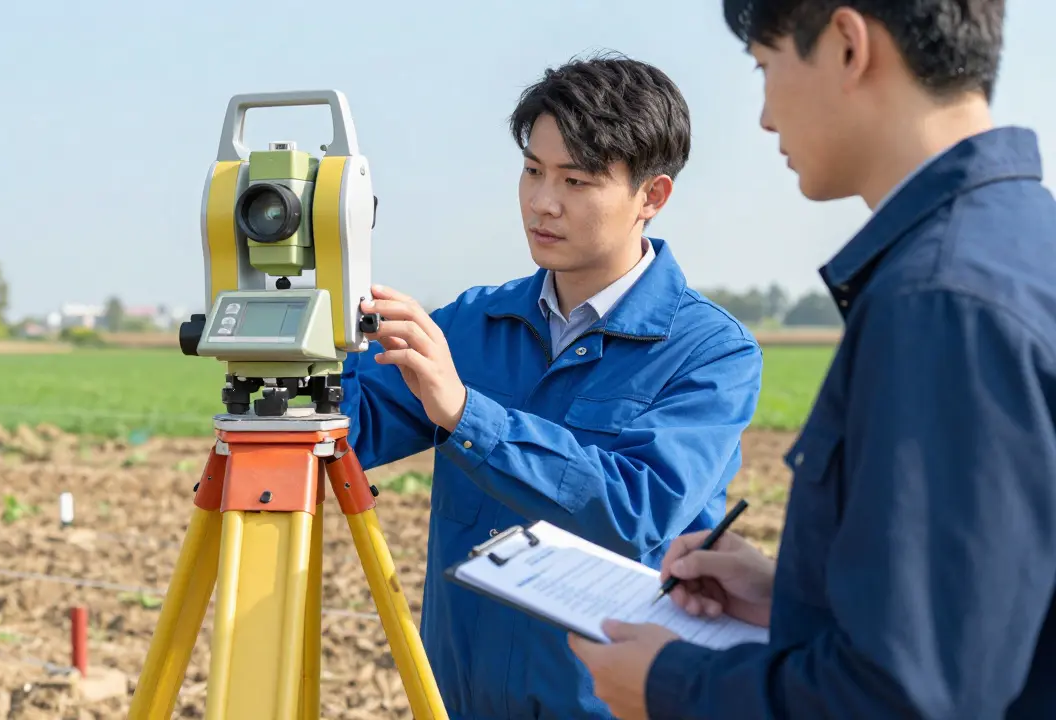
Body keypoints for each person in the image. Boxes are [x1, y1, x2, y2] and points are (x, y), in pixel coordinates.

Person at [568, 2, 1056, 718]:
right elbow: (987, 616)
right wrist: (796, 599)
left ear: (848, 45)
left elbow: (910, 699)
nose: (765, 117)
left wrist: (670, 685)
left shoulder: (939, 300)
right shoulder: (1021, 245)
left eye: (767, 68)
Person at [340, 53, 763, 718]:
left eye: (576, 180)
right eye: (533, 170)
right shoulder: (472, 324)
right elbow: (347, 430)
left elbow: (637, 510)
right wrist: (304, 344)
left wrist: (467, 414)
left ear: (651, 196)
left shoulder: (710, 353)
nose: (543, 201)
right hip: (459, 703)